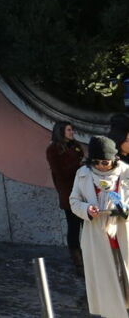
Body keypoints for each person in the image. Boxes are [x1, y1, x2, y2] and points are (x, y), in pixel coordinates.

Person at [70, 136, 129, 318]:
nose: (102, 166)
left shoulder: (126, 172)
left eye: (105, 162)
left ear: (114, 159)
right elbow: (73, 201)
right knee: (107, 284)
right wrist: (87, 209)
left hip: (124, 233)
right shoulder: (83, 174)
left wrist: (124, 210)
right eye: (96, 162)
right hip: (97, 236)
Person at [46, 120, 85, 275]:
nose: (71, 132)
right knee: (74, 226)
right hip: (68, 192)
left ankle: (88, 255)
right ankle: (77, 259)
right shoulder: (53, 149)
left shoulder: (75, 145)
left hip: (83, 190)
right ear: (61, 131)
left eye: (71, 129)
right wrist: (78, 166)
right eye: (69, 130)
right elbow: (59, 172)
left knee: (86, 225)